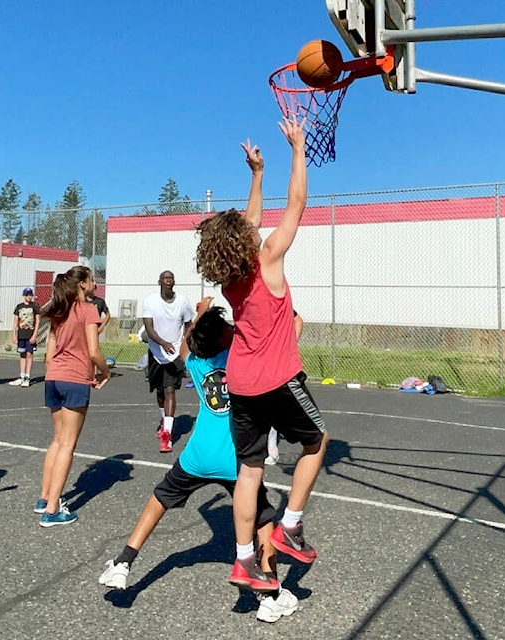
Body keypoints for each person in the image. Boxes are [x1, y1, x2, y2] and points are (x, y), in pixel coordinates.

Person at [98, 299, 298, 623]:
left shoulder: (197, 363)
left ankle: (123, 562)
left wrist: (200, 316)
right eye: (229, 328)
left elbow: (182, 346)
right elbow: (268, 338)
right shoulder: (240, 360)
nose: (234, 328)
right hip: (236, 461)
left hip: (198, 456)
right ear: (224, 338)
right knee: (263, 522)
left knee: (159, 499)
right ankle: (270, 595)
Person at [195, 116, 330, 591]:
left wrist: (256, 174)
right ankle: (291, 524)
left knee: (250, 470)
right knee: (317, 442)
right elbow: (297, 203)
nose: (254, 228)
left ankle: (244, 559)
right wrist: (298, 149)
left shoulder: (231, 276)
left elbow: (248, 222)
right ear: (246, 242)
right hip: (277, 378)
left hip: (241, 383)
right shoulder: (267, 257)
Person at [36, 266, 110, 527]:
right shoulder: (89, 309)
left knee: (57, 440)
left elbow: (49, 350)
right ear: (82, 284)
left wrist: (54, 371)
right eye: (91, 280)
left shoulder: (59, 309)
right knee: (68, 444)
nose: (94, 284)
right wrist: (105, 371)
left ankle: (44, 498)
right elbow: (93, 350)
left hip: (53, 378)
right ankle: (53, 510)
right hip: (75, 379)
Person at [141, 271, 196, 453]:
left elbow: (189, 324)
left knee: (170, 390)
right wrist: (163, 343)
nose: (168, 281)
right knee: (160, 392)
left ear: (174, 282)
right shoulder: (150, 301)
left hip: (174, 355)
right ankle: (164, 420)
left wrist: (185, 344)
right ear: (160, 282)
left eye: (171, 278)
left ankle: (167, 435)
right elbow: (148, 328)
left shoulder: (182, 301)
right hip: (157, 352)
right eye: (165, 278)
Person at [265, 310, 304, 465]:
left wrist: (290, 347)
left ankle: (272, 448)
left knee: (272, 406)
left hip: (276, 364)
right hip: (259, 362)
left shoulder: (277, 304)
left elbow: (298, 320)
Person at [9, 288, 41, 387]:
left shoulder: (35, 306)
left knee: (29, 354)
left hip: (30, 333)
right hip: (21, 334)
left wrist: (35, 334)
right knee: (22, 354)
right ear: (24, 296)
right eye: (27, 295)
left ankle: (27, 377)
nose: (29, 297)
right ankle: (22, 376)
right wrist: (14, 334)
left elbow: (38, 321)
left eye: (30, 295)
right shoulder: (19, 307)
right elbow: (15, 321)